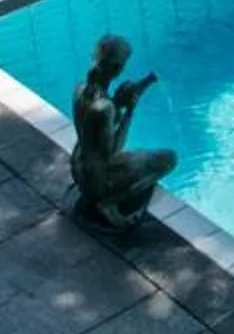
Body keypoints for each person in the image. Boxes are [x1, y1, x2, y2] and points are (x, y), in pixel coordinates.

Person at [69, 34, 176, 232]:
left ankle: (100, 198)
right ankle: (108, 205)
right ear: (118, 68)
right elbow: (113, 152)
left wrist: (118, 103)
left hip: (78, 169)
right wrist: (130, 111)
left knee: (140, 154)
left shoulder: (81, 89)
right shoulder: (104, 108)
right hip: (97, 183)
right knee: (168, 159)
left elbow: (93, 132)